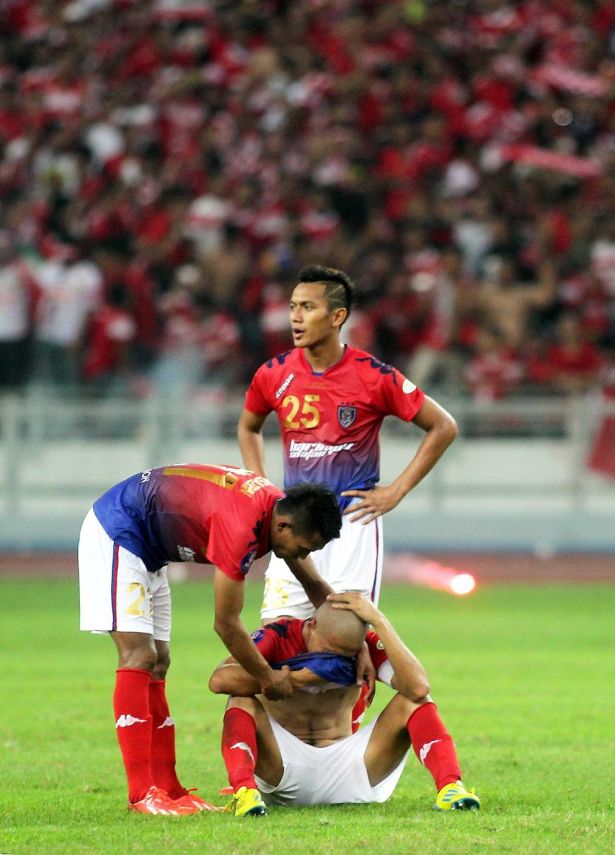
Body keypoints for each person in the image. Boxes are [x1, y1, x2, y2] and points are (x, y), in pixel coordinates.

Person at [80, 464, 342, 815]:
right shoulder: (242, 526)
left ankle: (169, 789)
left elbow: (315, 588)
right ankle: (142, 794)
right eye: (304, 547)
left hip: (150, 548)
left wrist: (358, 642)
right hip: (120, 531)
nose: (303, 556)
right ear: (284, 526)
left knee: (159, 662)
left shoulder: (280, 512)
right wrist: (267, 678)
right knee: (138, 656)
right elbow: (226, 624)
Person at [237, 265, 459, 624]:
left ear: (337, 316)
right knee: (278, 637)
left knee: (344, 639)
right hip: (293, 524)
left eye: (307, 307)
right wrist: (260, 486)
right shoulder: (273, 373)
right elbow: (249, 427)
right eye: (293, 307)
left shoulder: (374, 375)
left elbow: (443, 426)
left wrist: (397, 490)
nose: (295, 317)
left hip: (351, 523)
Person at [209, 593, 480, 814]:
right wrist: (292, 678)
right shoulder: (277, 637)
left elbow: (418, 688)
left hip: (351, 769)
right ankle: (244, 793)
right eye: (327, 653)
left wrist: (380, 623)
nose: (333, 663)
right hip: (282, 768)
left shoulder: (362, 647)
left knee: (415, 701)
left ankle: (450, 788)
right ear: (312, 626)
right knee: (240, 699)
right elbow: (219, 681)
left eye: (344, 657)